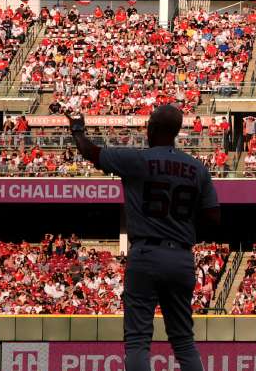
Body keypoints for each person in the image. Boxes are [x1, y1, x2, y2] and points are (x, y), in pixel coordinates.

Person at [71, 105, 220, 371]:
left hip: (146, 252)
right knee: (184, 340)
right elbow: (213, 217)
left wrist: (78, 130)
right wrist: (180, 223)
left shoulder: (137, 160)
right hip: (182, 255)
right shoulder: (198, 168)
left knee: (138, 340)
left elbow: (90, 152)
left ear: (151, 129)